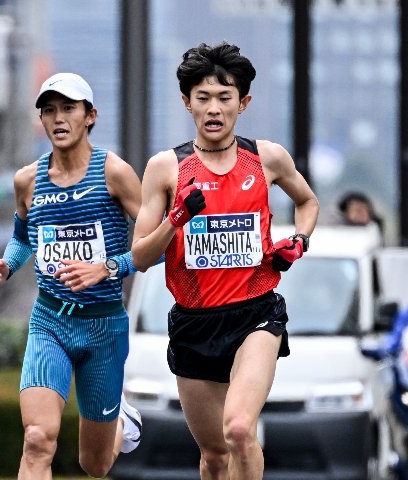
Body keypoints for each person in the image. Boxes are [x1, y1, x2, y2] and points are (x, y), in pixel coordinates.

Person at [130, 42, 320, 480]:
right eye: (203, 98)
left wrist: (299, 239)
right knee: (215, 455)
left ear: (243, 102)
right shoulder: (165, 168)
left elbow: (308, 202)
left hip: (255, 316)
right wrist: (174, 221)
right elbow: (140, 257)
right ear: (186, 103)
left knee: (238, 429)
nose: (213, 109)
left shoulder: (267, 157)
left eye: (224, 97)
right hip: (194, 323)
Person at [0, 72, 143, 479]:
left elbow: (154, 247)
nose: (58, 118)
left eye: (69, 108)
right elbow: (22, 238)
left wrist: (106, 268)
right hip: (50, 320)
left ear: (90, 116)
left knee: (95, 464)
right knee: (37, 438)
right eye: (49, 110)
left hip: (104, 325)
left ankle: (122, 420)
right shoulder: (27, 180)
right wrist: (6, 265)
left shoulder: (115, 172)